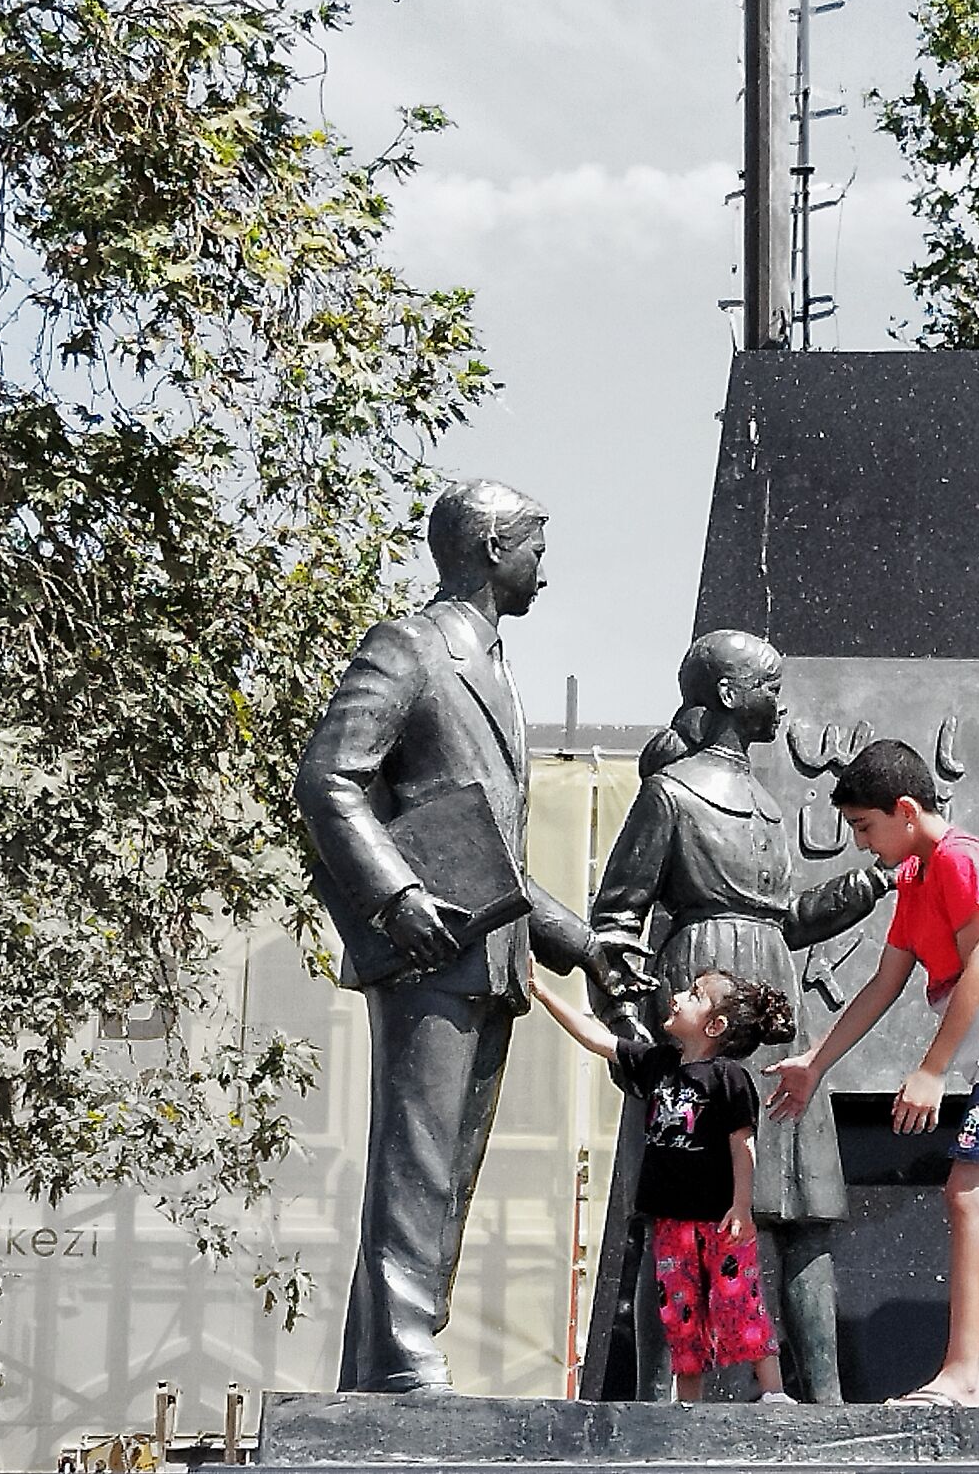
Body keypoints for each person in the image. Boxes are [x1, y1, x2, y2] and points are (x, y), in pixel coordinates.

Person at [295, 477, 652, 1394]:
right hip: (428, 950)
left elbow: (490, 851)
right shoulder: (411, 647)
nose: (546, 568)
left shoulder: (493, 667)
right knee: (416, 1160)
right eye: (537, 546)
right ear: (493, 549)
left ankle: (384, 1361)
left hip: (491, 955)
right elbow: (328, 778)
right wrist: (396, 896)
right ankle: (403, 1355)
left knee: (446, 1170)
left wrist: (578, 942)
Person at [587, 630, 894, 1401]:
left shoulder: (765, 803)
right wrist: (627, 1023)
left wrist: (864, 887)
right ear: (730, 694)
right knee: (678, 1208)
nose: (781, 701)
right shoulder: (670, 794)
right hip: (699, 984)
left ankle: (824, 1399)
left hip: (772, 1001)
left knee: (802, 1205)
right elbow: (616, 919)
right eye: (770, 685)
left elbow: (783, 918)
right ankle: (656, 1398)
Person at [766, 740, 979, 1408]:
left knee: (968, 1194)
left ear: (904, 810)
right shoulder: (918, 877)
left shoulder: (960, 858)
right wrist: (815, 1062)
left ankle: (964, 1376)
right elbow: (884, 982)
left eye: (865, 826)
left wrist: (931, 1071)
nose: (862, 844)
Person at [534, 968, 796, 1404]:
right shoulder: (659, 1064)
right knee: (680, 1313)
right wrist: (543, 992)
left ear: (715, 1026)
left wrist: (742, 1206)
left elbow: (742, 1145)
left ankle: (773, 1392)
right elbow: (597, 1039)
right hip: (671, 1222)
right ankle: (688, 1402)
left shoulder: (728, 1078)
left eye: (694, 994)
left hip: (720, 1220)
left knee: (739, 1301)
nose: (677, 997)